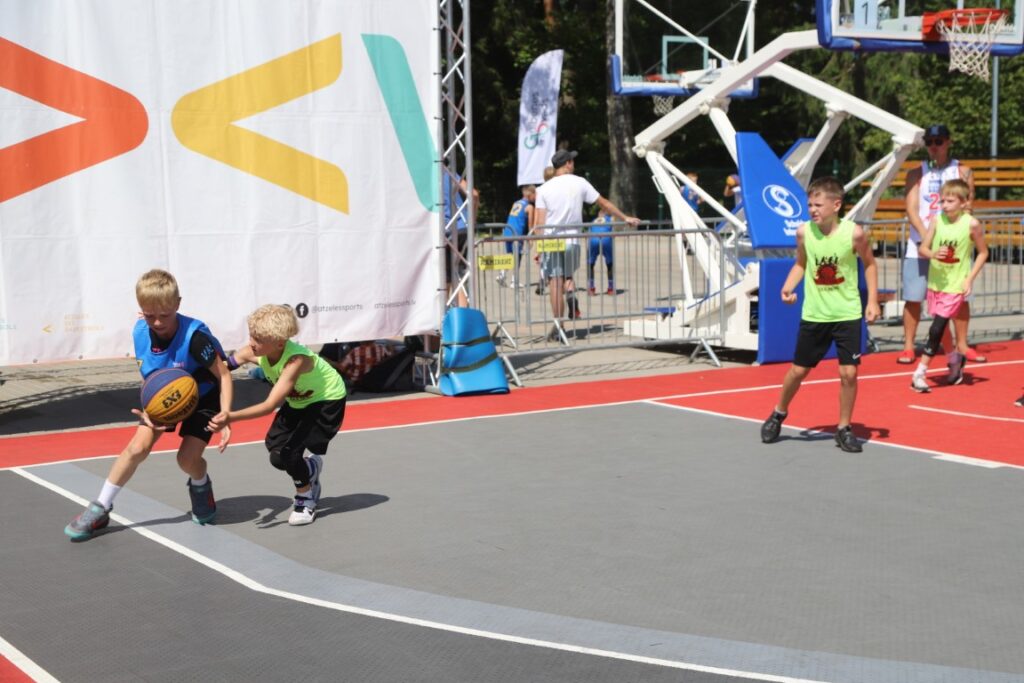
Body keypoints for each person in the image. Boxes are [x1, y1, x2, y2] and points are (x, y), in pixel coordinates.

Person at [64, 269, 233, 540]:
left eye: (164, 315)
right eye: (148, 314)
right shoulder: (140, 331)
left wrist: (226, 415)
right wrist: (148, 408)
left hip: (204, 395)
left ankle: (201, 484)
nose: (156, 322)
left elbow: (223, 375)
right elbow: (151, 374)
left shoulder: (194, 337)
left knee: (186, 460)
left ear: (178, 304)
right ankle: (101, 507)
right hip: (167, 396)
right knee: (136, 447)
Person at [760, 176, 880, 453]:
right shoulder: (804, 232)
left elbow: (870, 265)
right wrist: (788, 286)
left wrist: (872, 301)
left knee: (849, 373)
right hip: (815, 314)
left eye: (818, 205)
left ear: (836, 205)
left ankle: (844, 428)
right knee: (798, 371)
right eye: (810, 205)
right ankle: (779, 412)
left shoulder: (854, 234)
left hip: (847, 312)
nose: (812, 210)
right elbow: (801, 264)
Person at [208, 305, 347, 526]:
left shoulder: (296, 361)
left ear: (280, 343)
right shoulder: (252, 351)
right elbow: (222, 369)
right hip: (300, 401)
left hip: (326, 401)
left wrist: (230, 417)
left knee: (290, 453)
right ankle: (310, 469)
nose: (252, 342)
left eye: (259, 339)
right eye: (252, 335)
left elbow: (269, 405)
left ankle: (305, 499)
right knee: (277, 455)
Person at [900, 124, 985, 364]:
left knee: (960, 297)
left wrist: (951, 237)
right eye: (929, 142)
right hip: (920, 243)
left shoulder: (963, 171)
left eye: (938, 141)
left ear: (948, 142)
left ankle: (962, 344)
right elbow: (911, 210)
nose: (933, 146)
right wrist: (928, 237)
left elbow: (968, 206)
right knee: (914, 296)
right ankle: (908, 346)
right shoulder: (916, 173)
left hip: (953, 246)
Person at [532, 149, 639, 326]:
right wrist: (625, 217)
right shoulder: (580, 182)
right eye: (572, 161)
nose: (573, 164)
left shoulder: (543, 189)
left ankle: (559, 325)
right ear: (567, 164)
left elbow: (540, 223)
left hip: (551, 241)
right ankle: (571, 297)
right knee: (568, 277)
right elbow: (604, 203)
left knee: (555, 282)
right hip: (572, 240)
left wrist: (538, 247)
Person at [910, 179, 988, 392]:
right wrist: (934, 254)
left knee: (936, 328)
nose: (944, 205)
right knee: (941, 327)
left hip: (955, 284)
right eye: (943, 200)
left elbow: (983, 252)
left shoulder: (971, 224)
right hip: (936, 282)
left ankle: (920, 373)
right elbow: (923, 248)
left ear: (963, 202)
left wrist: (969, 279)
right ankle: (954, 359)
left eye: (950, 201)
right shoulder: (937, 220)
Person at [443, 172, 480, 307]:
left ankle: (443, 315)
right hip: (463, 227)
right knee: (459, 277)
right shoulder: (449, 174)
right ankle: (463, 315)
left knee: (444, 278)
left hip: (444, 231)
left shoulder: (429, 176)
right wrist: (472, 221)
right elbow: (474, 194)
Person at [497, 184, 535, 288]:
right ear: (530, 194)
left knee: (510, 255)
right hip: (517, 233)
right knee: (517, 256)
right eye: (535, 194)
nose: (536, 197)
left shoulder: (516, 203)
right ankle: (514, 281)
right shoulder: (529, 207)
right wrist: (530, 238)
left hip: (508, 231)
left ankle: (502, 274)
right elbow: (530, 225)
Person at [587, 208, 615, 295]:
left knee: (590, 264)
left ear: (599, 214)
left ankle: (591, 288)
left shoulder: (593, 221)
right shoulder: (610, 219)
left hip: (593, 240)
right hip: (606, 240)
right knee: (610, 264)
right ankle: (611, 288)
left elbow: (589, 232)